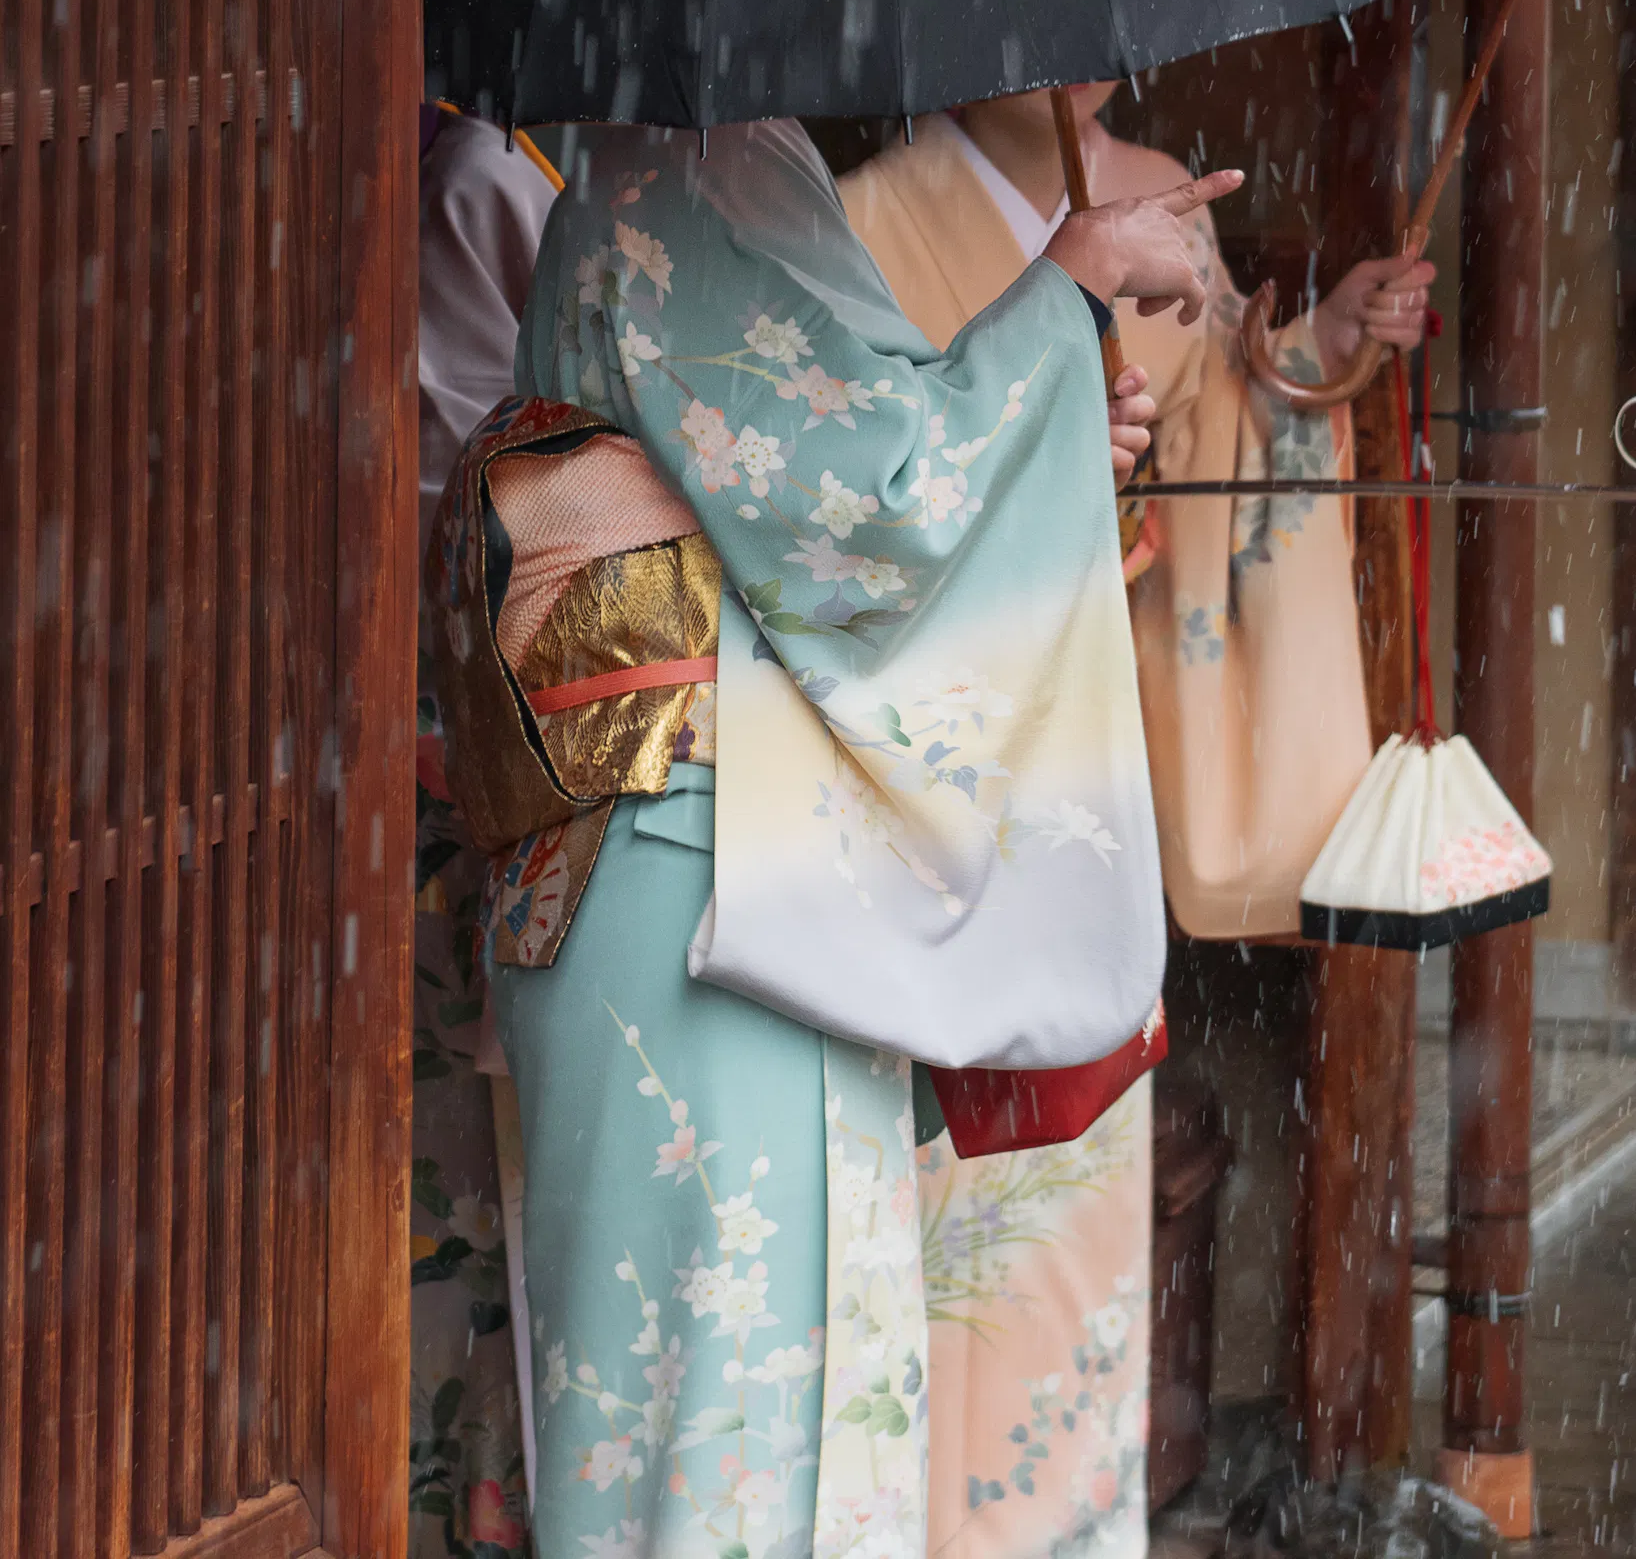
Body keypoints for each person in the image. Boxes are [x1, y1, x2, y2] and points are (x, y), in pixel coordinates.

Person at [427, 116, 1237, 1559]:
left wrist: (1039, 375)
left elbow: (826, 462)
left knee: (660, 1427)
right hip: (716, 890)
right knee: (745, 1432)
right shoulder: (705, 167)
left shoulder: (638, 166)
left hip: (634, 869)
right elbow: (885, 505)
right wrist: (1070, 287)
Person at [839, 85, 1431, 1559]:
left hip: (1094, 722)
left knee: (1079, 1185)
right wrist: (1042, 434)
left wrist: (1329, 347)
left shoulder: (1161, 189)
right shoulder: (870, 214)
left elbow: (1225, 418)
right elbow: (869, 487)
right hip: (959, 745)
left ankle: (1057, 1519)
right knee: (938, 1189)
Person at [411, 106, 561, 1559]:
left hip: (484, 676)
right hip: (468, 677)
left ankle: (478, 1487)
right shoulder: (477, 172)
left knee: (488, 1150)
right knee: (471, 1149)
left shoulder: (500, 159)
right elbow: (477, 459)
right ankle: (471, 1495)